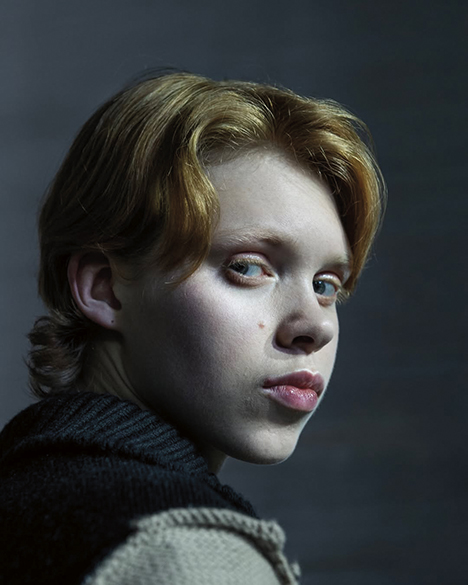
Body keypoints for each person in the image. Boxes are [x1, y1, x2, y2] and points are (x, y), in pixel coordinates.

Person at [0, 71, 385, 584]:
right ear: (104, 288)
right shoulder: (185, 556)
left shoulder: (25, 488)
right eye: (248, 267)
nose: (314, 326)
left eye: (326, 285)